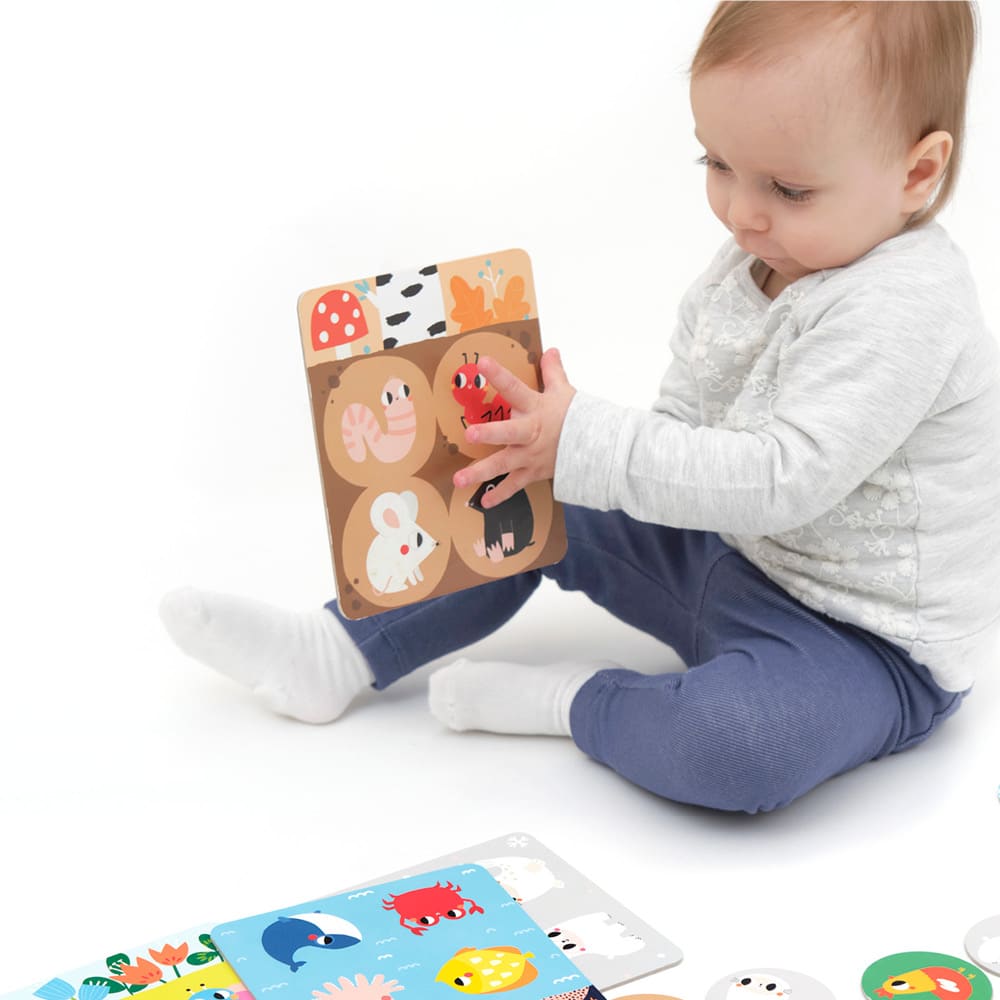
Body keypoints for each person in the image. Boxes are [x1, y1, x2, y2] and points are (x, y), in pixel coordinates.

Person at [160, 1, 999, 813]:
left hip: (858, 642)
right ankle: (336, 651)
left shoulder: (906, 305)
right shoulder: (756, 260)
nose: (743, 214)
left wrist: (587, 441)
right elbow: (681, 434)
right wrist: (553, 448)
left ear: (916, 173)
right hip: (729, 549)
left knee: (738, 746)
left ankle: (576, 702)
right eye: (716, 165)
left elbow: (786, 477)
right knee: (515, 474)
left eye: (787, 187)